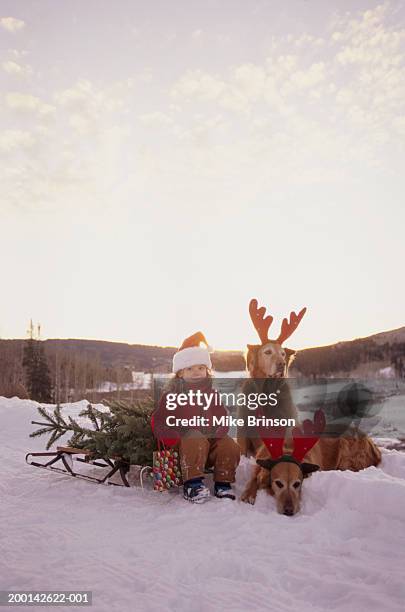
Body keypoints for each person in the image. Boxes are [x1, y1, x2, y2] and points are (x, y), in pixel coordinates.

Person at [152, 332, 240, 503]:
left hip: (208, 444)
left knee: (229, 444)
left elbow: (222, 415)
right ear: (180, 374)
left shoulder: (212, 394)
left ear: (207, 370)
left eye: (200, 368)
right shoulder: (172, 396)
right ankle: (192, 484)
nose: (196, 373)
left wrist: (221, 428)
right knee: (194, 435)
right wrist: (168, 435)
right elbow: (158, 419)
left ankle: (223, 482)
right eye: (190, 369)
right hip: (183, 446)